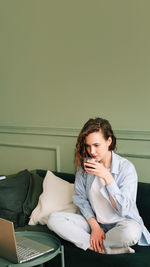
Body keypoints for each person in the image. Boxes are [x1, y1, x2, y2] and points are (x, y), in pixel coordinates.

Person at [47, 117, 150, 254]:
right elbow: (80, 198)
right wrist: (95, 227)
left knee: (131, 233)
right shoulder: (84, 166)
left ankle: (95, 244)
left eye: (96, 145)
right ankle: (104, 249)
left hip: (121, 224)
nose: (92, 151)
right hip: (93, 223)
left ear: (109, 141)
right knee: (54, 219)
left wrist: (107, 177)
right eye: (88, 146)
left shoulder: (126, 168)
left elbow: (124, 209)